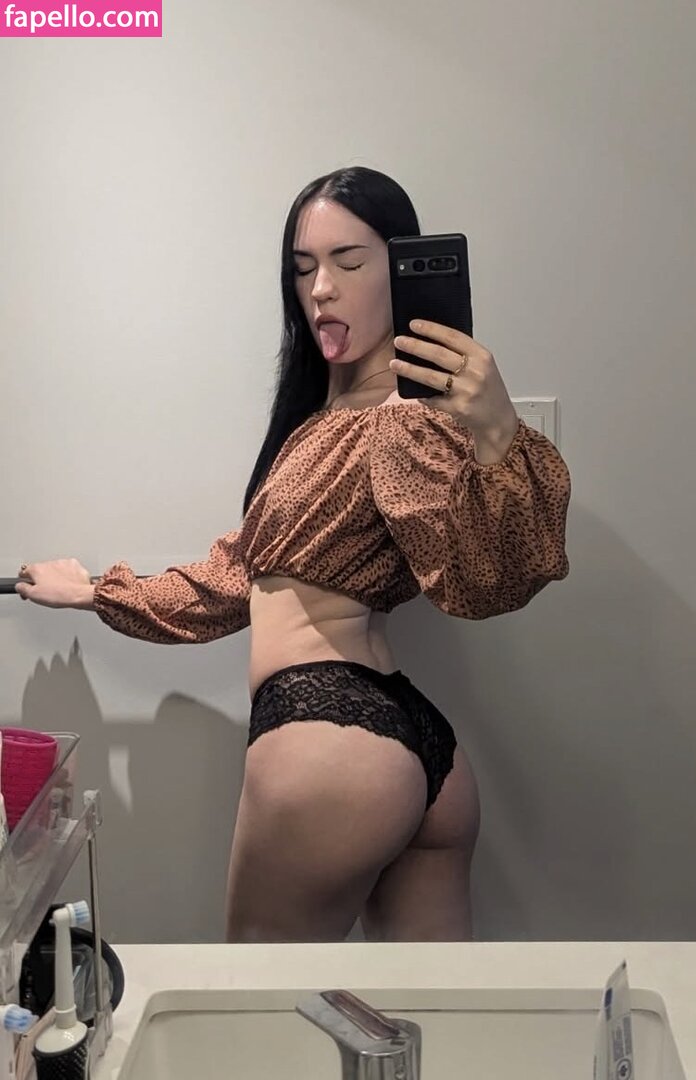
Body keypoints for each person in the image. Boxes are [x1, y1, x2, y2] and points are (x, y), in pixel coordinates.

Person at [15, 166, 571, 943]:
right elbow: (233, 581)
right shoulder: (331, 418)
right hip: (411, 746)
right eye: (304, 268)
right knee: (422, 1013)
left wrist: (497, 431)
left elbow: (483, 584)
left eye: (349, 261)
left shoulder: (401, 421)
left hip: (327, 740)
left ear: (400, 267)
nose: (321, 290)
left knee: (258, 1004)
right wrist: (93, 591)